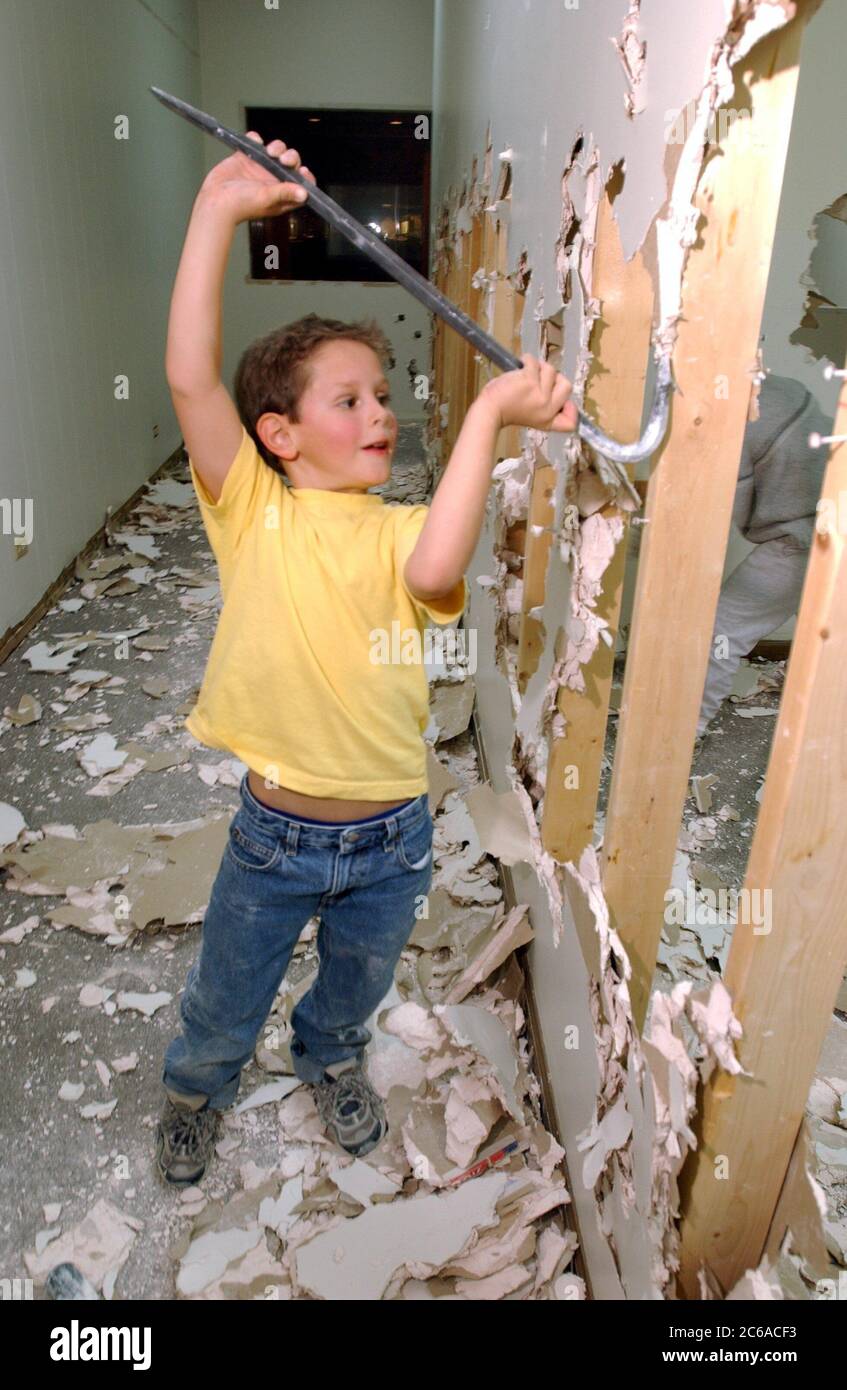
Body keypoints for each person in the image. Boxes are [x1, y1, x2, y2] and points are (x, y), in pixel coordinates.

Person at [156, 131, 578, 1186]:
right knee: (228, 984)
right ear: (280, 435)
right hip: (275, 834)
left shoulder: (399, 533)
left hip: (391, 837)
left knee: (355, 983)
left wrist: (488, 414)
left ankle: (330, 1057)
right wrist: (217, 207)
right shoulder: (249, 509)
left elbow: (442, 560)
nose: (380, 411)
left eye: (382, 397)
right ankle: (197, 1085)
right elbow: (186, 377)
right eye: (348, 399)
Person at [695, 373, 831, 742]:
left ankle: (690, 728)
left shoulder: (730, 416)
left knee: (722, 633)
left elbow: (728, 507)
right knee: (828, 633)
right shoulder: (786, 387)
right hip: (832, 525)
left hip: (802, 539)